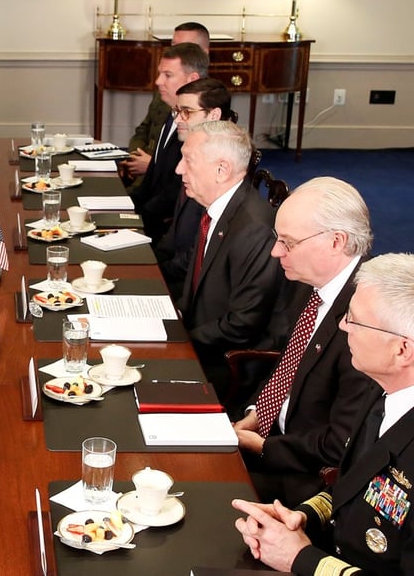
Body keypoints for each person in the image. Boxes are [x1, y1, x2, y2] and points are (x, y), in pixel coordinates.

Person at [233, 253, 414, 575]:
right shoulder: (389, 385)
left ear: (402, 351)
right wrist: (304, 516)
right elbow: (356, 482)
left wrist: (300, 558)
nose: (342, 326)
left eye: (353, 319)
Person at [232, 177, 374, 504]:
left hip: (303, 480)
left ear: (337, 241)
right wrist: (257, 413)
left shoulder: (366, 322)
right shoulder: (309, 284)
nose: (275, 251)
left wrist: (263, 447)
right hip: (269, 435)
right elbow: (290, 364)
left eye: (288, 242)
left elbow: (341, 442)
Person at [176, 120, 283, 407]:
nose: (178, 169)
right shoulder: (218, 208)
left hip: (222, 362)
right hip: (199, 335)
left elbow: (242, 324)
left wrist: (179, 339)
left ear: (221, 170)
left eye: (188, 160)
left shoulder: (253, 229)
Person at [155, 77, 233, 295]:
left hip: (191, 289)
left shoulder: (219, 169)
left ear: (214, 116)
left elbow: (198, 252)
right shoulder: (191, 155)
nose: (179, 119)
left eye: (187, 112)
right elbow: (175, 233)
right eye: (177, 111)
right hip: (174, 271)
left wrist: (157, 272)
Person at [128, 43, 209, 244]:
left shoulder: (197, 129)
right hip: (148, 215)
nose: (158, 81)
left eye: (168, 75)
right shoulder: (171, 112)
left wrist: (136, 220)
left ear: (192, 80)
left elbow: (173, 193)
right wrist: (125, 209)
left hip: (164, 231)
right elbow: (152, 179)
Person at [121, 21, 211, 179]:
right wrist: (134, 158)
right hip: (142, 177)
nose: (159, 81)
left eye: (185, 46)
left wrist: (153, 165)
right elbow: (143, 130)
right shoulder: (165, 93)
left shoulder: (203, 110)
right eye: (173, 45)